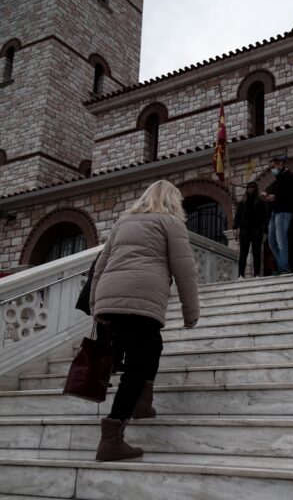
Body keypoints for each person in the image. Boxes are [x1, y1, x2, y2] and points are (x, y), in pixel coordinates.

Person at [90, 179, 199, 462]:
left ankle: (143, 404)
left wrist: (95, 306)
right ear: (173, 201)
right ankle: (112, 436)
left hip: (110, 300)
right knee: (137, 367)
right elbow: (184, 271)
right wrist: (191, 312)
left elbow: (99, 267)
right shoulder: (171, 223)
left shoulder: (123, 223)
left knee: (153, 347)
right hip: (140, 300)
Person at [261, 157, 293, 275]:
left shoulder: (289, 177)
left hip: (284, 211)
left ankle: (283, 267)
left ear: (280, 164)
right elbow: (273, 194)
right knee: (271, 242)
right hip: (275, 212)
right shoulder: (277, 180)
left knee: (281, 240)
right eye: (270, 168)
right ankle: (283, 266)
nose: (272, 170)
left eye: (273, 167)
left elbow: (290, 194)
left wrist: (275, 197)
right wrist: (266, 195)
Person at [233, 181, 268, 278]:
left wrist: (265, 230)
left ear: (256, 190)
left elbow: (265, 217)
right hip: (244, 231)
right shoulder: (242, 204)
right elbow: (237, 217)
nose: (251, 190)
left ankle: (257, 274)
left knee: (257, 253)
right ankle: (241, 275)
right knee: (243, 253)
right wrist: (235, 228)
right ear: (247, 189)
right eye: (249, 188)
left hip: (257, 230)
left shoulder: (261, 203)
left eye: (253, 188)